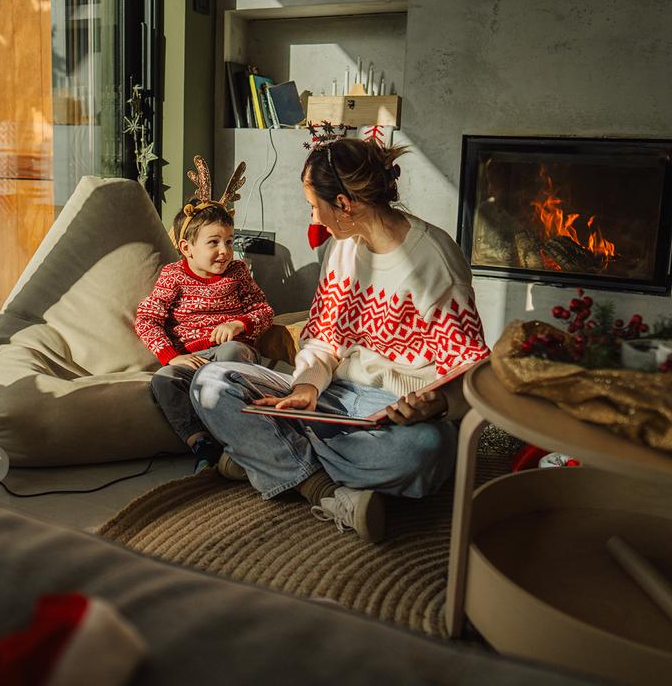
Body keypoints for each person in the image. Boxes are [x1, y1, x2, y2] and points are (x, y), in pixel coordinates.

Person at [189, 138, 490, 543]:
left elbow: (471, 375)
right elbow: (323, 336)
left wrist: (435, 404)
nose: (313, 215)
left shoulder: (434, 261)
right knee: (210, 383)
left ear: (345, 204)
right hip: (332, 396)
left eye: (315, 205)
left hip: (395, 420)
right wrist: (305, 387)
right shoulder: (341, 248)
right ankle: (323, 490)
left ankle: (266, 456)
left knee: (422, 453)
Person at [135, 170, 274, 473]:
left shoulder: (238, 273)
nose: (224, 251)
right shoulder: (174, 276)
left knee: (231, 354)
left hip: (230, 352)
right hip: (192, 360)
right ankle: (201, 443)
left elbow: (264, 310)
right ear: (187, 248)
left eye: (228, 241)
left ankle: (240, 439)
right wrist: (174, 358)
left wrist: (240, 324)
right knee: (162, 380)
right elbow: (147, 319)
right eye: (213, 242)